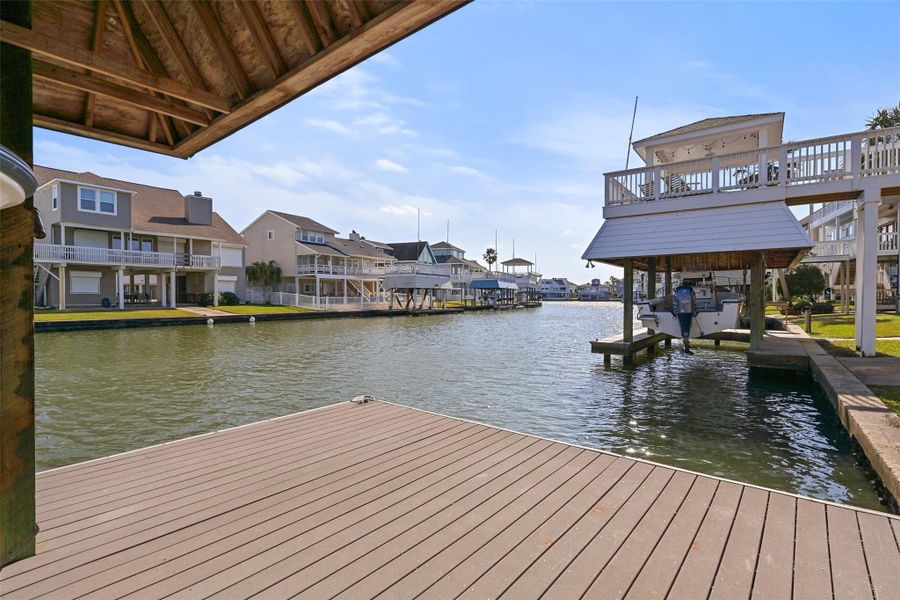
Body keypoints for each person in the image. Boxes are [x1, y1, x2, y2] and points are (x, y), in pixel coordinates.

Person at [672, 281, 697, 354]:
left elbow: (674, 303)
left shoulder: (677, 291)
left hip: (680, 312)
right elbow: (694, 302)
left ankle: (685, 340)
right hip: (689, 312)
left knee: (682, 325)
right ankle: (686, 341)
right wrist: (695, 310)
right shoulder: (691, 291)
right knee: (688, 325)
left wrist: (675, 311)